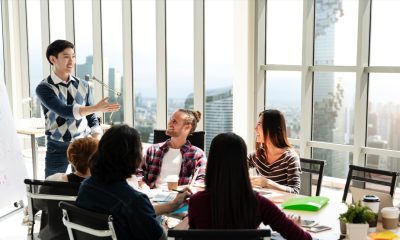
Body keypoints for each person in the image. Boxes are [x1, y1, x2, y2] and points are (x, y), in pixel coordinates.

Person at [76, 124, 191, 240]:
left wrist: (172, 205)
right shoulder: (134, 201)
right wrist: (190, 218)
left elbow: (138, 214)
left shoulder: (86, 187)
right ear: (134, 157)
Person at [188, 133, 311, 240]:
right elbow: (303, 238)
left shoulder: (196, 202)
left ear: (212, 162)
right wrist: (297, 228)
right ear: (242, 164)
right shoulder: (259, 203)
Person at [36, 39, 120, 178]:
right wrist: (96, 107)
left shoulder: (84, 85)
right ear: (53, 59)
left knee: (88, 187)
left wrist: (96, 140)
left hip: (83, 145)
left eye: (73, 56)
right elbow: (65, 111)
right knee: (52, 187)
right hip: (57, 146)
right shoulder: (44, 88)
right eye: (66, 57)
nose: (71, 61)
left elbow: (91, 117)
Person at [137, 109, 206, 189]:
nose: (169, 123)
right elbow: (139, 173)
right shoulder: (153, 150)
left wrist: (182, 194)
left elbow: (201, 182)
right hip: (152, 197)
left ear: (187, 128)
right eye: (170, 120)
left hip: (180, 199)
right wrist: (143, 185)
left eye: (174, 122)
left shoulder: (197, 154)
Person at [248, 109, 301, 194]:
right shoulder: (257, 155)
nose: (255, 128)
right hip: (263, 203)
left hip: (282, 205)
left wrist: (268, 183)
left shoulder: (290, 158)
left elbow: (295, 191)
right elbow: (237, 168)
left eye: (259, 124)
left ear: (271, 129)